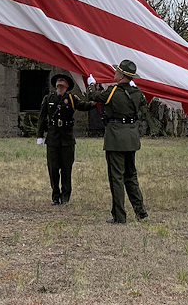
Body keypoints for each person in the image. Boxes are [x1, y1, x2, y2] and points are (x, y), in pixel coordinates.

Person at [86, 60, 150, 224]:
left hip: (115, 137)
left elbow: (93, 96)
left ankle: (119, 216)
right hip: (131, 137)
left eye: (117, 72)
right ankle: (140, 211)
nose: (114, 74)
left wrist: (91, 84)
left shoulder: (113, 91)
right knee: (131, 176)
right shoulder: (137, 92)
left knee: (116, 178)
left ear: (121, 75)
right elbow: (142, 103)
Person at [35, 72, 93, 205]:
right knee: (53, 169)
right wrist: (40, 135)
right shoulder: (48, 98)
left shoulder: (72, 99)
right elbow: (42, 118)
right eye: (58, 81)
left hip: (67, 139)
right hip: (53, 139)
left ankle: (66, 196)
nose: (60, 83)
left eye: (63, 81)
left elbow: (85, 106)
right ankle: (55, 196)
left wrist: (95, 100)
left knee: (66, 168)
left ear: (67, 86)